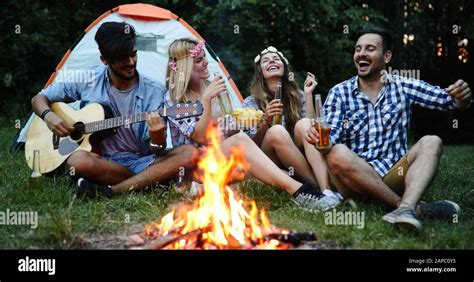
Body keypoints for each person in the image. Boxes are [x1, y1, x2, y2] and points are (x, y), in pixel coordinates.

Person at [303, 27, 471, 231]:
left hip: (395, 174)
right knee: (337, 152)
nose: (361, 53)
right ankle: (410, 208)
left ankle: (407, 207)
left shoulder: (403, 85)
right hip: (355, 179)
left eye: (370, 48)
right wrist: (323, 142)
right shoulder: (339, 92)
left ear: (387, 56)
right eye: (358, 49)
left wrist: (462, 97)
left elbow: (447, 100)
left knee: (432, 141)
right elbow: (330, 142)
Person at [31, 22, 196, 197]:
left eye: (133, 55)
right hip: (102, 161)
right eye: (122, 59)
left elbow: (156, 148)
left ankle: (110, 190)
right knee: (77, 161)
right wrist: (49, 116)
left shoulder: (154, 91)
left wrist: (157, 138)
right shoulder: (88, 79)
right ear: (104, 59)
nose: (131, 62)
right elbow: (38, 99)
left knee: (189, 153)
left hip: (141, 160)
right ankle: (148, 181)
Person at [164, 38, 330, 211]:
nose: (206, 62)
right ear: (184, 67)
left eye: (205, 57)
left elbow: (229, 127)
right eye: (199, 60)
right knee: (245, 144)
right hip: (199, 167)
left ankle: (321, 192)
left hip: (227, 161)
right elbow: (199, 136)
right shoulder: (173, 98)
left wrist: (245, 121)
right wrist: (206, 99)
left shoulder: (213, 86)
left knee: (273, 136)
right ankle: (300, 192)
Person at [243, 46, 341, 210]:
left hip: (297, 157)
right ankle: (317, 187)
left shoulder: (299, 95)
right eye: (266, 60)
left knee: (304, 124)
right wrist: (265, 121)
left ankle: (326, 192)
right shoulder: (251, 102)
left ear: (284, 67)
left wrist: (309, 95)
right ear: (259, 71)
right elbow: (250, 146)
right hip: (269, 159)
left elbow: (312, 131)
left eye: (276, 59)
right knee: (276, 132)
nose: (272, 61)